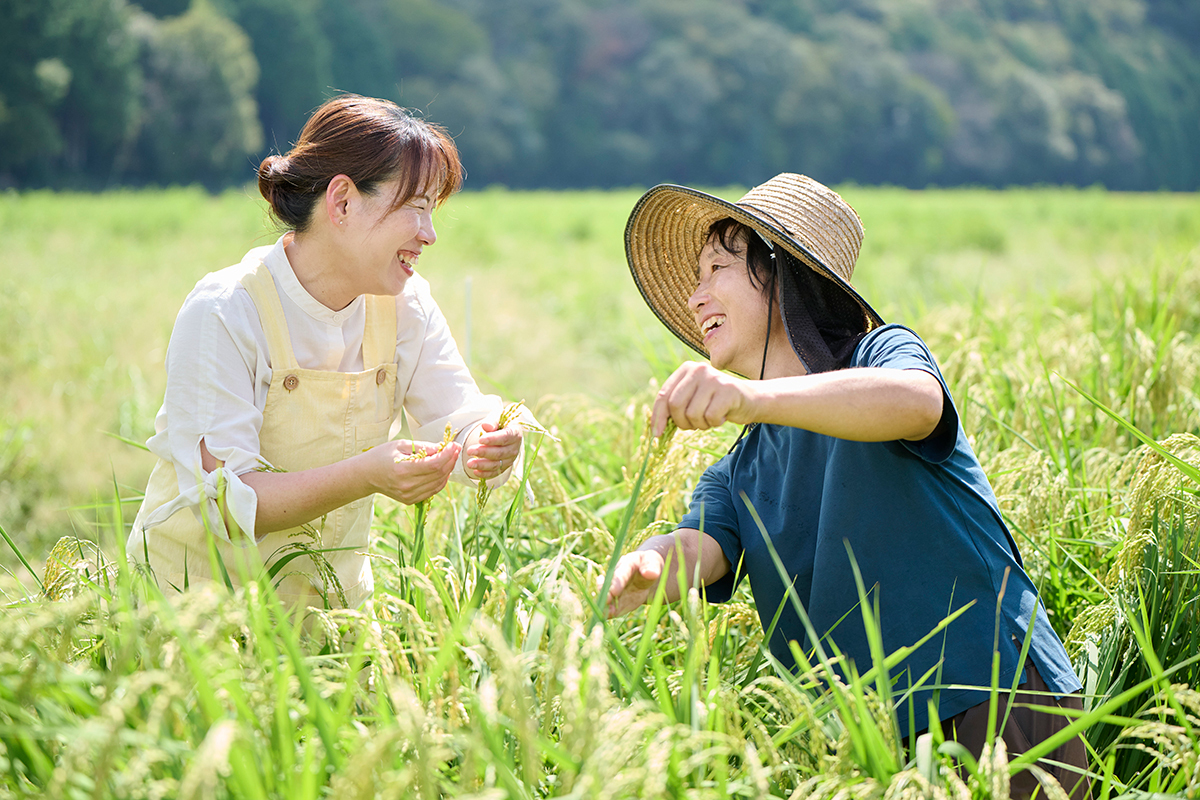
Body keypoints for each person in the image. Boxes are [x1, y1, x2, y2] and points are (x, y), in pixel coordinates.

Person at [605, 174, 1090, 797]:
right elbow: (699, 547)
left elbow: (919, 404)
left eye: (716, 269)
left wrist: (750, 398)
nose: (697, 298)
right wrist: (646, 565)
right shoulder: (738, 469)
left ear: (782, 272)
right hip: (872, 746)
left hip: (989, 690)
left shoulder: (880, 356)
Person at [128, 94, 524, 610]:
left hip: (332, 620)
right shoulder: (227, 310)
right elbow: (227, 504)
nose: (429, 235)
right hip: (197, 620)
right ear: (342, 202)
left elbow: (454, 415)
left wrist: (486, 443)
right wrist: (367, 474)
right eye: (418, 209)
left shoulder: (406, 303)